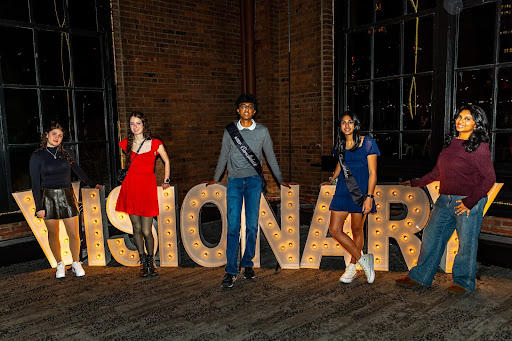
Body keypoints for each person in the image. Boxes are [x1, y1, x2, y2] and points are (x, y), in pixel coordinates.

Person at [396, 105, 496, 294]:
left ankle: (464, 282)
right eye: (459, 117)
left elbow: (489, 178)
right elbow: (438, 172)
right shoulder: (451, 143)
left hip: (467, 202)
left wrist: (470, 202)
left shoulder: (479, 148)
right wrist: (417, 182)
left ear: (477, 124)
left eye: (467, 119)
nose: (461, 121)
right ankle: (420, 277)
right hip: (444, 200)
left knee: (466, 243)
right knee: (431, 238)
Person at [206, 93, 294, 289]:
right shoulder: (230, 131)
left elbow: (270, 157)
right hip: (235, 181)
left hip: (254, 181)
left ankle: (247, 263)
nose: (246, 109)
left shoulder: (262, 131)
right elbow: (223, 155)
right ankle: (230, 270)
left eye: (250, 107)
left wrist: (280, 181)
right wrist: (216, 178)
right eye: (243, 106)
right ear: (238, 110)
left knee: (252, 226)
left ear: (255, 111)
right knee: (233, 227)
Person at [30, 122, 102, 279]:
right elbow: (35, 184)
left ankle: (76, 263)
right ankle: (60, 264)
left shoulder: (66, 152)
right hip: (47, 197)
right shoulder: (37, 156)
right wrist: (38, 207)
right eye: (54, 134)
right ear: (47, 135)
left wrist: (91, 183)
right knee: (53, 233)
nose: (57, 138)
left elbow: (77, 169)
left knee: (74, 233)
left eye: (60, 135)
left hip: (67, 195)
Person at [320, 113, 379, 284]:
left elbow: (373, 172)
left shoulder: (367, 142)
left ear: (356, 124)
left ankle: (352, 266)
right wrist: (332, 179)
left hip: (360, 191)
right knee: (335, 230)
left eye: (350, 122)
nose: (346, 125)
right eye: (343, 123)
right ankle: (363, 260)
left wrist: (369, 197)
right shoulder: (340, 143)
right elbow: (341, 162)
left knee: (357, 230)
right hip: (343, 190)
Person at [116, 111, 171, 277]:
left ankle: (151, 261)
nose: (135, 127)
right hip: (131, 187)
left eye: (138, 123)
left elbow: (167, 160)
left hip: (147, 188)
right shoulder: (126, 143)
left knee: (147, 230)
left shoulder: (155, 143)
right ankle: (143, 262)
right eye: (132, 124)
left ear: (144, 124)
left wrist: (166, 180)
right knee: (136, 228)